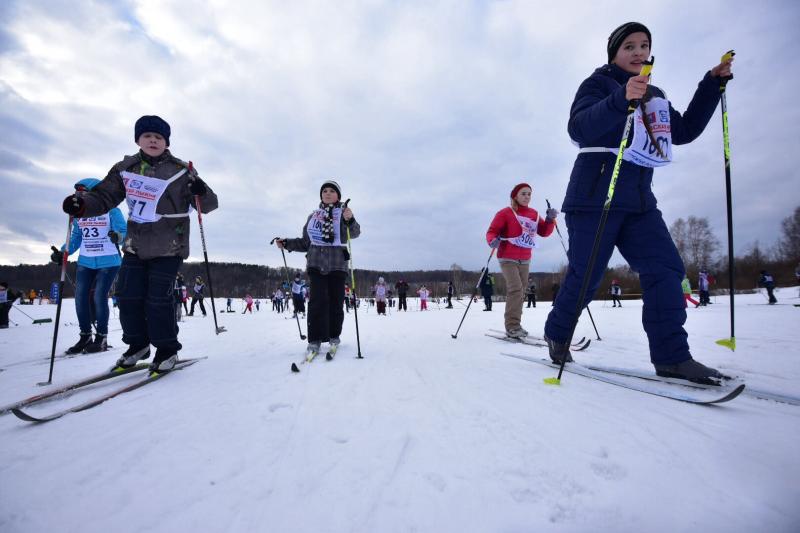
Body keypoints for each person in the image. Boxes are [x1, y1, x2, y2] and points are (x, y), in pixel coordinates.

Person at [542, 22, 733, 383]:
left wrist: (711, 86)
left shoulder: (654, 91)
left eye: (644, 45)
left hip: (640, 202)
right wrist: (620, 99)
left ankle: (672, 357)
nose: (639, 52)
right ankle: (557, 332)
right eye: (629, 46)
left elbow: (684, 131)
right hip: (592, 198)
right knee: (586, 277)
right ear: (614, 52)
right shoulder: (597, 84)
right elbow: (578, 128)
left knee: (666, 271)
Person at [61, 115, 218, 373]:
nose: (153, 140)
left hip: (170, 244)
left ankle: (167, 350)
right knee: (127, 296)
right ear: (138, 139)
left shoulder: (181, 169)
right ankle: (138, 345)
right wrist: (82, 205)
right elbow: (104, 196)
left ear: (167, 142)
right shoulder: (126, 168)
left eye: (159, 137)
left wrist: (201, 191)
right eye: (147, 136)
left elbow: (207, 205)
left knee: (158, 298)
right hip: (136, 244)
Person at [274, 180, 360, 357]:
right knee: (316, 303)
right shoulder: (313, 216)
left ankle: (334, 336)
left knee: (336, 303)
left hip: (337, 265)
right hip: (316, 263)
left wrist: (350, 220)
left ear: (338, 195)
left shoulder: (344, 213)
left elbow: (356, 232)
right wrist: (287, 243)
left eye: (332, 191)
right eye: (324, 191)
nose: (327, 193)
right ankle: (314, 340)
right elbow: (306, 242)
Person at [52, 178, 127, 354]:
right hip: (86, 261)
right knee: (80, 298)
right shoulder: (79, 213)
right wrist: (63, 253)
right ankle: (85, 336)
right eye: (78, 193)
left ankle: (102, 337)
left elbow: (123, 231)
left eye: (83, 192)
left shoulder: (111, 210)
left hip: (109, 260)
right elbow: (76, 237)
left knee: (99, 297)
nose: (80, 196)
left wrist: (117, 236)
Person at [486, 183, 556, 338]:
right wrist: (492, 240)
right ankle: (512, 326)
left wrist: (550, 220)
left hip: (525, 258)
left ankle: (516, 324)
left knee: (521, 291)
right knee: (516, 289)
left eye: (529, 194)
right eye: (523, 193)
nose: (527, 197)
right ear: (515, 196)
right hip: (507, 257)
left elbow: (544, 232)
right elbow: (492, 231)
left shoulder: (534, 214)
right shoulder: (505, 213)